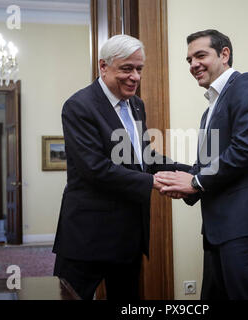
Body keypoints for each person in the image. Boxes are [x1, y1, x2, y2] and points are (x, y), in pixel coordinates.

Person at [52, 34, 189, 300]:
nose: (135, 77)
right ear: (103, 67)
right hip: (86, 237)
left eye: (139, 69)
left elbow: (144, 158)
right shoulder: (79, 106)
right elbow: (95, 168)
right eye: (127, 68)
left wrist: (191, 172)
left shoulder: (137, 105)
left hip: (128, 236)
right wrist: (155, 182)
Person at [155, 29, 248, 300]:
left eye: (200, 55)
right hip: (218, 228)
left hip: (245, 224)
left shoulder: (246, 85)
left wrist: (194, 182)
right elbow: (210, 166)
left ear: (224, 54)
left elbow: (244, 149)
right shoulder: (209, 111)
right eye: (189, 59)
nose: (193, 65)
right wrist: (174, 177)